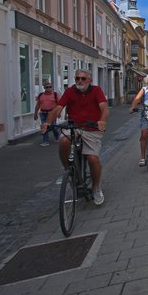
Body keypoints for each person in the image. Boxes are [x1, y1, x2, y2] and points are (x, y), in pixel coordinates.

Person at [41, 70, 108, 205]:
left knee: (92, 158)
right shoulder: (70, 91)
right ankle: (69, 171)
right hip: (74, 127)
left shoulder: (96, 90)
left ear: (89, 80)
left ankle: (96, 187)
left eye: (83, 78)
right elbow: (58, 108)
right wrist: (47, 122)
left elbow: (104, 108)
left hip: (92, 128)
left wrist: (102, 120)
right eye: (77, 78)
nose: (80, 81)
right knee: (64, 140)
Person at [34, 81, 60, 146]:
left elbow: (59, 105)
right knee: (44, 127)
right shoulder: (41, 95)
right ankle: (45, 141)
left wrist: (58, 113)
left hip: (52, 113)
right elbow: (38, 105)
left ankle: (57, 137)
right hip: (43, 113)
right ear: (44, 88)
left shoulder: (55, 94)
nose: (49, 88)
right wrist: (35, 113)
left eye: (50, 87)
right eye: (47, 87)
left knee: (53, 126)